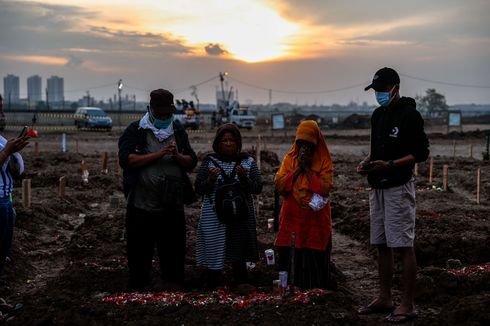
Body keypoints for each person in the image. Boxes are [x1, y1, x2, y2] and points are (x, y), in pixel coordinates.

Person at [357, 67, 429, 323]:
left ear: (395, 87)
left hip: (398, 187)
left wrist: (390, 165)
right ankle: (385, 297)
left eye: (382, 90)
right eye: (375, 91)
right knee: (381, 244)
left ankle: (407, 304)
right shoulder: (378, 115)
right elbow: (376, 149)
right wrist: (367, 162)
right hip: (377, 186)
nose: (378, 95)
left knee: (403, 245)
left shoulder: (410, 115)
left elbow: (420, 153)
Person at [118, 89, 197, 290]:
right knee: (139, 253)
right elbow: (127, 160)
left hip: (172, 207)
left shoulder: (177, 130)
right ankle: (139, 289)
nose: (163, 118)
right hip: (142, 206)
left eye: (167, 114)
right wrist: (159, 154)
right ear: (150, 110)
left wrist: (177, 155)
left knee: (173, 252)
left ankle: (172, 287)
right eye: (159, 114)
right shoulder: (136, 130)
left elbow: (191, 162)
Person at [194, 123, 262, 288]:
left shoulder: (248, 162)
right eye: (224, 140)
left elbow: (258, 188)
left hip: (240, 217)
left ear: (238, 142)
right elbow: (198, 188)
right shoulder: (209, 162)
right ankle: (212, 286)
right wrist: (209, 180)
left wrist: (245, 179)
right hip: (213, 216)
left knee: (238, 253)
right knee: (214, 252)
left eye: (232, 140)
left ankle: (242, 285)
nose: (228, 143)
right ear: (217, 143)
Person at [274, 120, 333, 289]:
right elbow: (280, 186)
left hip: (315, 220)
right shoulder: (289, 159)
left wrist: (308, 170)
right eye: (301, 144)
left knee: (313, 256)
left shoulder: (323, 161)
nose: (304, 149)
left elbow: (325, 188)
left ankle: (316, 291)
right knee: (291, 254)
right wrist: (299, 168)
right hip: (291, 218)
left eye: (309, 145)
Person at [0, 94, 28, 316]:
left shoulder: (0, 139)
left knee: (2, 253)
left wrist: (13, 153)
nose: (1, 115)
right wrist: (7, 152)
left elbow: (15, 172)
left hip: (5, 202)